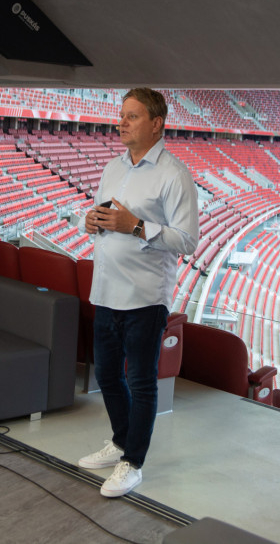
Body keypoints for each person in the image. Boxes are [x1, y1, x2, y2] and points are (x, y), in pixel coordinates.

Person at [77, 88, 199, 498]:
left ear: (156, 123)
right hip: (106, 289)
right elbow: (103, 216)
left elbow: (187, 241)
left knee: (141, 381)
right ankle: (120, 441)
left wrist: (136, 226)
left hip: (145, 297)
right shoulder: (113, 167)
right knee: (106, 374)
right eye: (122, 115)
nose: (121, 122)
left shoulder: (174, 175)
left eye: (132, 116)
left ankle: (133, 462)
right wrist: (91, 220)